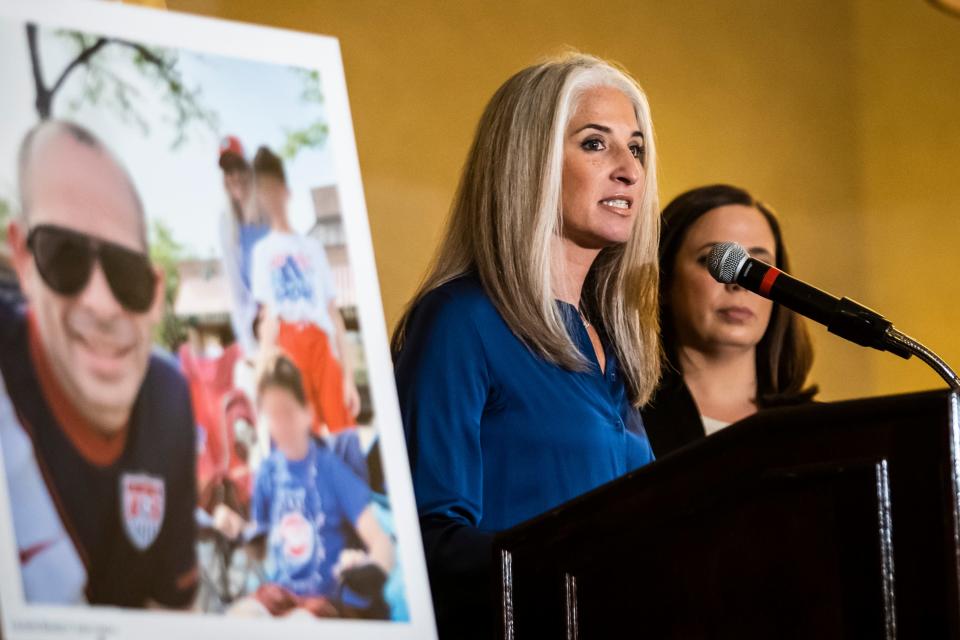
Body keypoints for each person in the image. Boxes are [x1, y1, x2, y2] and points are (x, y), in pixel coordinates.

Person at [392, 52, 661, 638]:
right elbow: (428, 542)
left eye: (635, 148)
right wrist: (570, 570)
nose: (629, 170)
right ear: (529, 162)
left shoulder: (613, 347)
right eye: (596, 144)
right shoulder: (462, 321)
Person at [0, 120, 197, 607]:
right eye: (63, 256)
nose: (102, 303)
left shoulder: (169, 399)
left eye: (125, 273)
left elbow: (171, 607)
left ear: (154, 291)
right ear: (23, 261)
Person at [641, 184, 817, 457]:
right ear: (663, 280)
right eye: (713, 260)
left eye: (759, 266)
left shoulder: (820, 430)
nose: (740, 283)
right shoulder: (625, 422)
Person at [215, 352, 393, 618]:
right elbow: (259, 545)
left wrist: (367, 565)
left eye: (287, 412)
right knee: (238, 616)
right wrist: (236, 528)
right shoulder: (267, 471)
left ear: (307, 413)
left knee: (299, 623)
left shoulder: (331, 469)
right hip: (279, 593)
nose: (281, 424)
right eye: (272, 416)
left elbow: (381, 543)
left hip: (324, 600)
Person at [250, 146, 360, 434]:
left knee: (343, 434)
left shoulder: (312, 247)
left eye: (274, 187)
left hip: (320, 341)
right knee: (303, 439)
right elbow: (268, 319)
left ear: (286, 191)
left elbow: (334, 314)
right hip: (287, 347)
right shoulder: (262, 252)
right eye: (263, 190)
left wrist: (348, 378)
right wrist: (263, 380)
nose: (270, 196)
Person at [218, 135, 270, 356]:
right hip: (256, 327)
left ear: (249, 170)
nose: (235, 176)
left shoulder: (269, 214)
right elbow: (237, 293)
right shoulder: (226, 224)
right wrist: (250, 348)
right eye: (228, 171)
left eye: (239, 167)